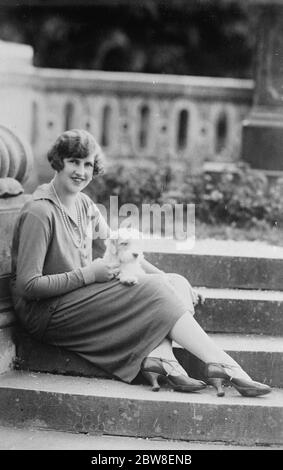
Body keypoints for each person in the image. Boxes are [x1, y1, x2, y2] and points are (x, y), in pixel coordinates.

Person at [10, 129, 271, 398]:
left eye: (88, 164)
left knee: (173, 282)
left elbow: (124, 248)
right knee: (156, 289)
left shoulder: (83, 204)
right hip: (46, 313)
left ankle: (162, 358)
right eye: (74, 162)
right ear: (58, 161)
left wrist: (165, 275)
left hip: (76, 297)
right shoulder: (40, 211)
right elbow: (29, 285)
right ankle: (223, 364)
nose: (81, 171)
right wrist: (88, 275)